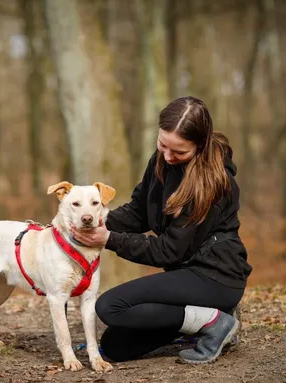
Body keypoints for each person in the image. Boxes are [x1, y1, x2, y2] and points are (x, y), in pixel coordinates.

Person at [71, 96, 252, 364]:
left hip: (216, 277)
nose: (167, 156)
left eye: (178, 152)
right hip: (183, 273)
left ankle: (216, 320)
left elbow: (168, 251)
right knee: (115, 346)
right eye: (162, 144)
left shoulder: (213, 184)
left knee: (110, 306)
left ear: (199, 146)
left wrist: (108, 239)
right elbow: (139, 211)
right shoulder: (162, 161)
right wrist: (98, 220)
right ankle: (196, 324)